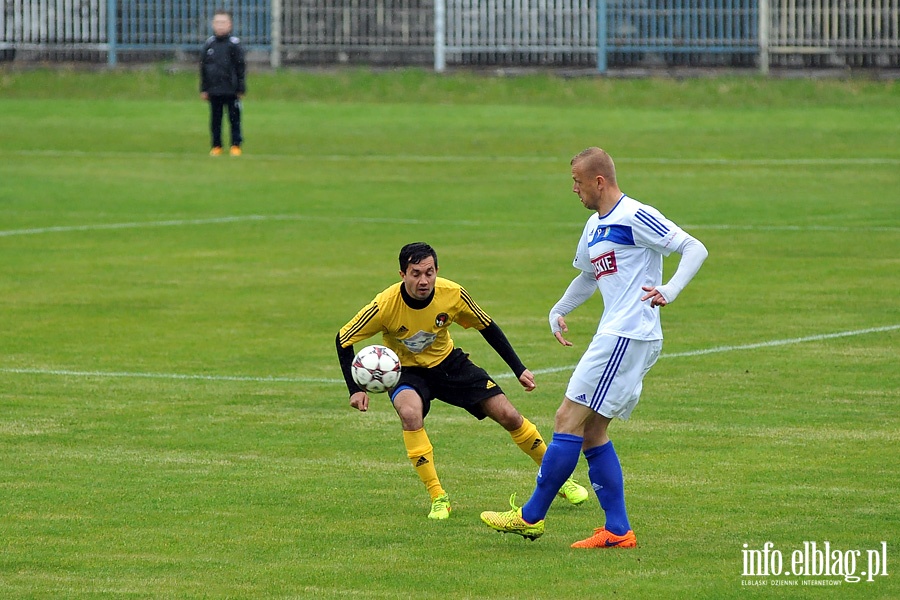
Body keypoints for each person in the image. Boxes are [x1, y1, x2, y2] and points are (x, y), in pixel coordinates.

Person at [480, 147, 708, 547]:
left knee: (566, 418)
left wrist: (669, 288)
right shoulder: (593, 227)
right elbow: (588, 275)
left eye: (578, 182)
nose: (574, 189)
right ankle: (618, 531)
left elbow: (694, 248)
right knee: (591, 431)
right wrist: (560, 308)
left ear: (599, 181)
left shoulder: (635, 215)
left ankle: (531, 516)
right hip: (618, 333)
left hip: (627, 334)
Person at [337, 242, 589, 520]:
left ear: (437, 271)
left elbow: (487, 326)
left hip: (449, 364)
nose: (424, 280)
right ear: (402, 274)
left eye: (429, 272)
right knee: (410, 414)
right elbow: (344, 337)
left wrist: (518, 368)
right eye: (416, 273)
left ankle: (558, 480)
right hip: (406, 372)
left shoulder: (452, 294)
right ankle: (438, 497)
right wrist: (355, 388)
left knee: (508, 414)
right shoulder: (385, 305)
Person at [200, 10, 245, 157]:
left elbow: (240, 67)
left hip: (231, 90)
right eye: (217, 22)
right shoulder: (209, 44)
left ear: (229, 25)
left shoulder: (234, 44)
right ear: (213, 25)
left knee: (234, 119)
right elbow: (203, 68)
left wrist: (240, 87)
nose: (220, 26)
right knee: (215, 120)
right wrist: (204, 88)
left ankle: (235, 145)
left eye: (223, 22)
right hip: (214, 90)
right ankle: (216, 145)